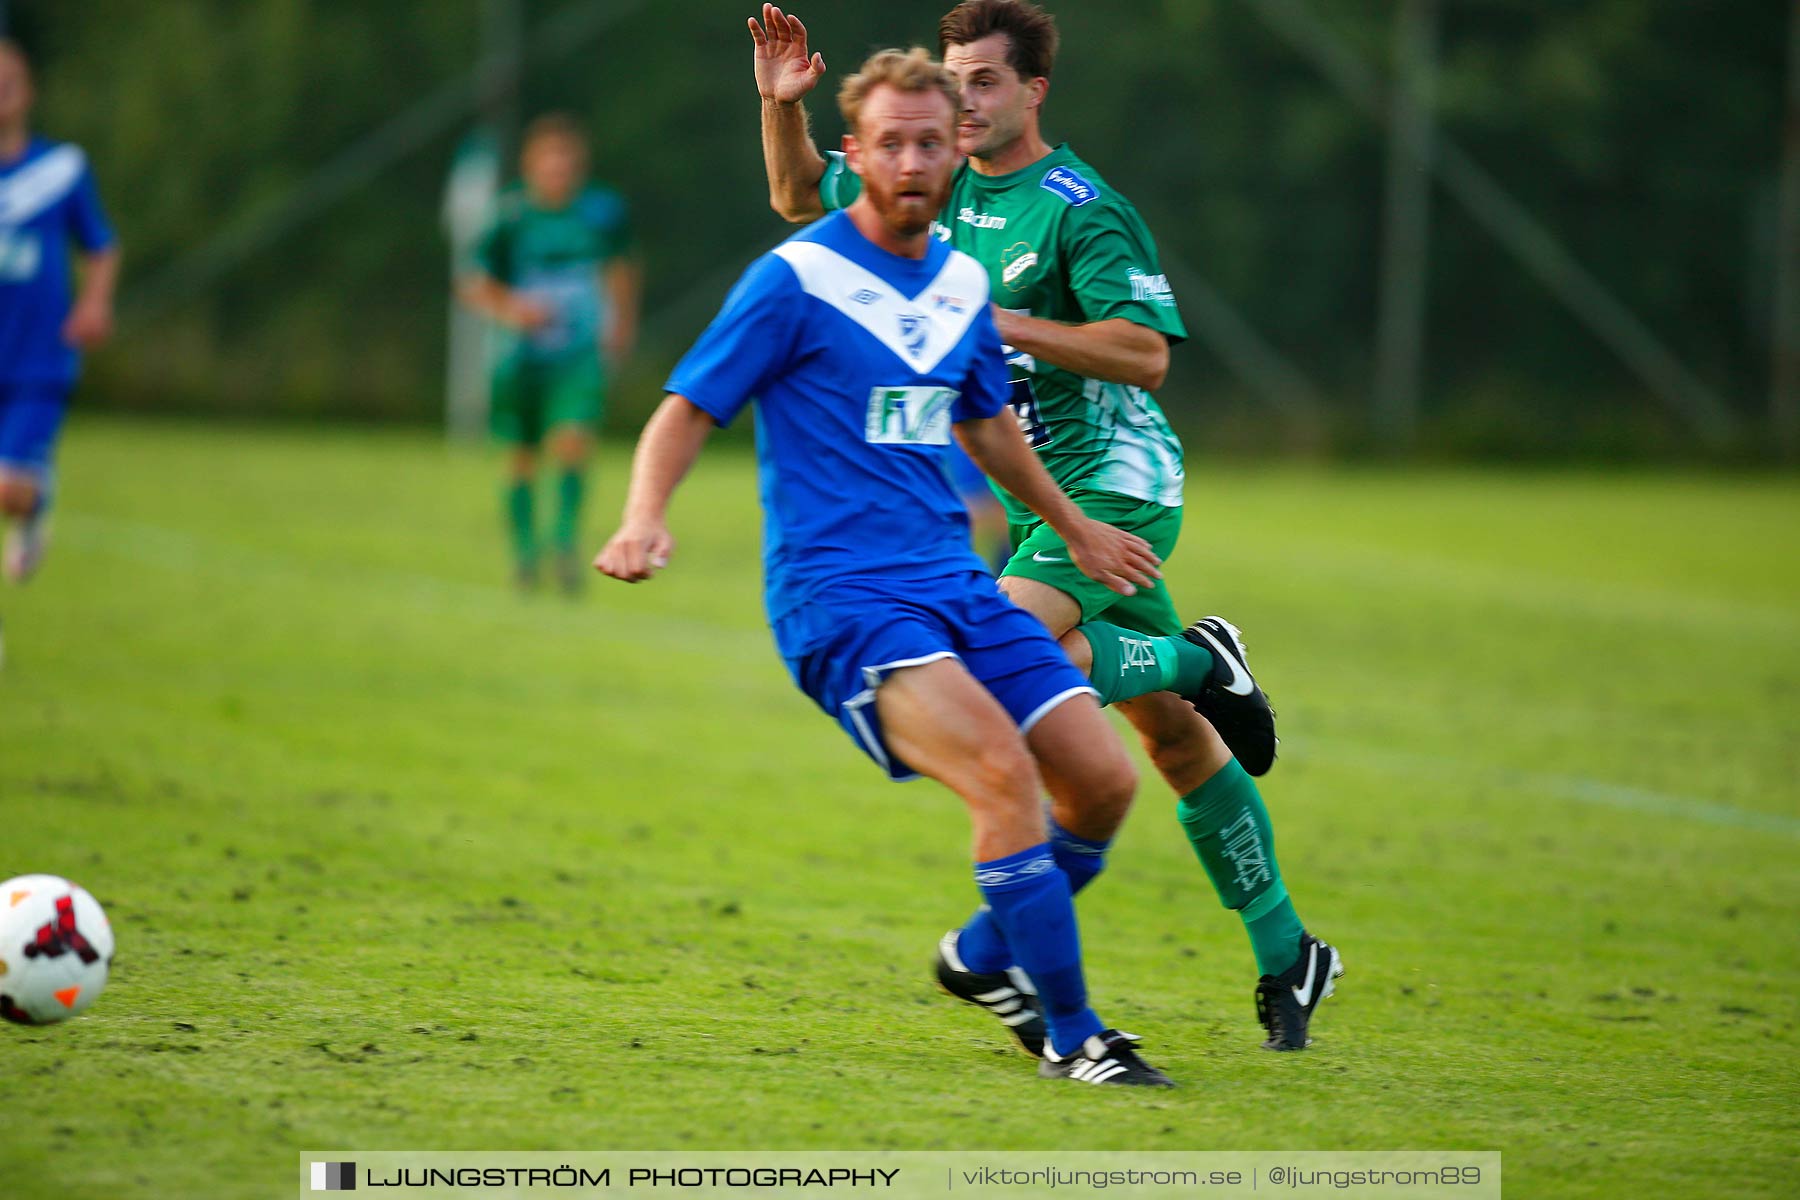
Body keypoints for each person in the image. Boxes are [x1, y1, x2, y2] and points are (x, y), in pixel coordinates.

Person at [749, 1, 1342, 1052]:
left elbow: (1146, 352)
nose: (965, 100)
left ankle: (991, 945)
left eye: (985, 81)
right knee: (1169, 742)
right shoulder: (934, 179)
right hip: (1034, 496)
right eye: (954, 78)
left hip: (1113, 481)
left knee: (1000, 670)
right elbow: (798, 194)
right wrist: (780, 106)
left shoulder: (1080, 208)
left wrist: (995, 318)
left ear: (1034, 91)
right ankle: (1288, 947)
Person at [599, 48, 1174, 1087]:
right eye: (890, 143)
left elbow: (988, 423)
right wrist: (644, 516)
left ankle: (983, 956)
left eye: (928, 141)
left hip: (951, 582)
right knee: (1001, 773)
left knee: (1101, 781)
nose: (911, 160)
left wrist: (1074, 528)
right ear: (854, 153)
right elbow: (684, 410)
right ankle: (1074, 1034)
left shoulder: (959, 282)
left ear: (957, 148)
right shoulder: (798, 280)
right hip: (843, 599)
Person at [458, 114, 639, 594]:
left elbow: (621, 268)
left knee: (572, 444)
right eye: (550, 160)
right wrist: (514, 308)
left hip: (577, 357)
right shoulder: (511, 216)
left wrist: (620, 324)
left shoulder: (601, 212)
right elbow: (472, 282)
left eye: (568, 161)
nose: (559, 169)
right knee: (520, 457)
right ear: (530, 164)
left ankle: (563, 544)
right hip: (520, 359)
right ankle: (524, 554)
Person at [0, 38, 117, 592]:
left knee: (7, 489)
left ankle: (34, 497)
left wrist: (93, 302)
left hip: (38, 357)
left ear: (29, 92)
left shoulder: (61, 170)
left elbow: (100, 243)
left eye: (9, 82)